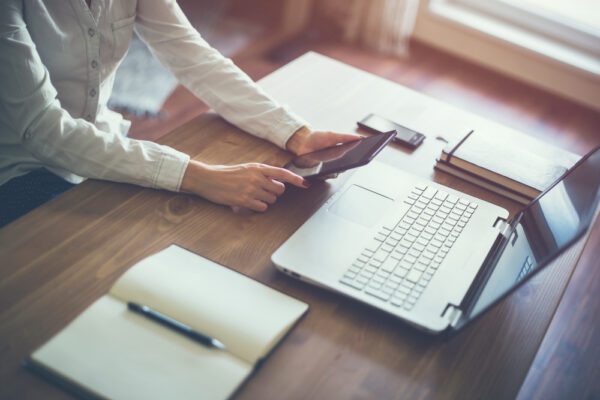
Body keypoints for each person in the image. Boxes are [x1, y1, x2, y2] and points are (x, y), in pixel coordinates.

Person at [0, 0, 360, 227]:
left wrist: (294, 133)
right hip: (22, 172)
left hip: (106, 148)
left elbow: (193, 56)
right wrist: (200, 176)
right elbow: (45, 131)